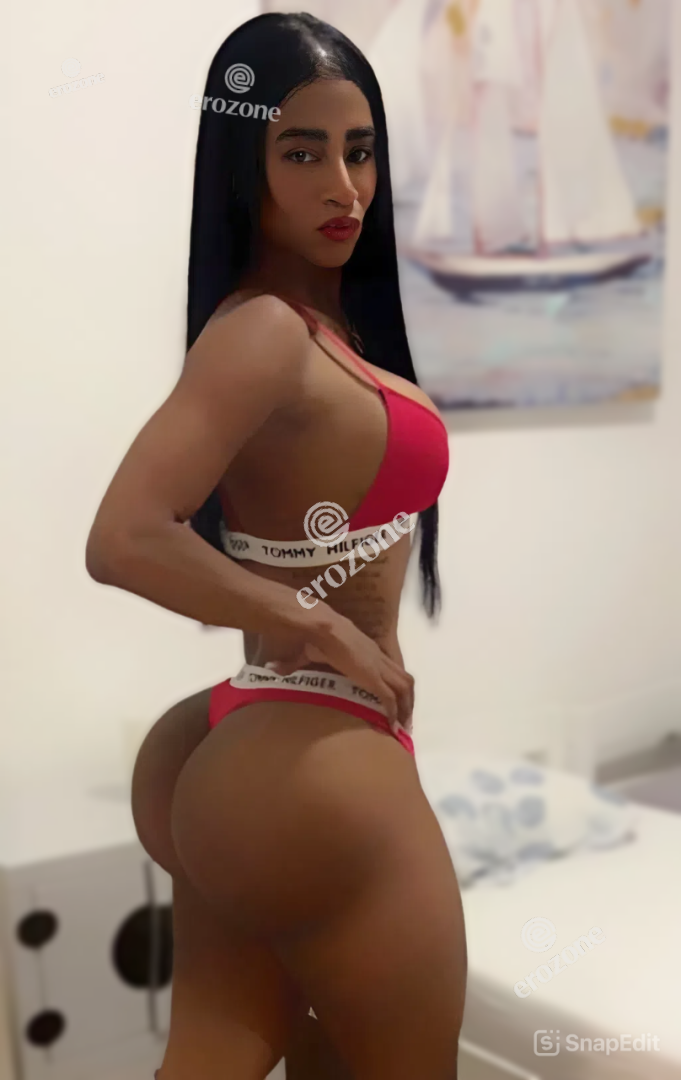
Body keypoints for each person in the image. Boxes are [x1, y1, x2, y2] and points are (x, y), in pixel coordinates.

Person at [86, 12, 467, 1079]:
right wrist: (321, 628)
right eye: (302, 153)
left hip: (236, 750)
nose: (343, 186)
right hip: (309, 757)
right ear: (242, 166)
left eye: (359, 150)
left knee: (214, 1061)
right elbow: (122, 538)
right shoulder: (263, 333)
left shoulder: (316, 329)